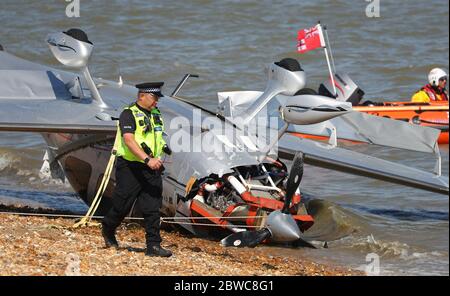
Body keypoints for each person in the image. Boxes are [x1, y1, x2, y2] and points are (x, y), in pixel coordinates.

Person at [102, 82, 173, 257]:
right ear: (142, 96)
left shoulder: (156, 114)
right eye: (154, 98)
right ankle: (108, 228)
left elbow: (156, 137)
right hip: (130, 167)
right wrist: (147, 159)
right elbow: (129, 140)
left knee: (152, 207)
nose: (156, 101)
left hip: (152, 167)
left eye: (157, 98)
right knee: (122, 205)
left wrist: (164, 150)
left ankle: (153, 246)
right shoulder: (128, 114)